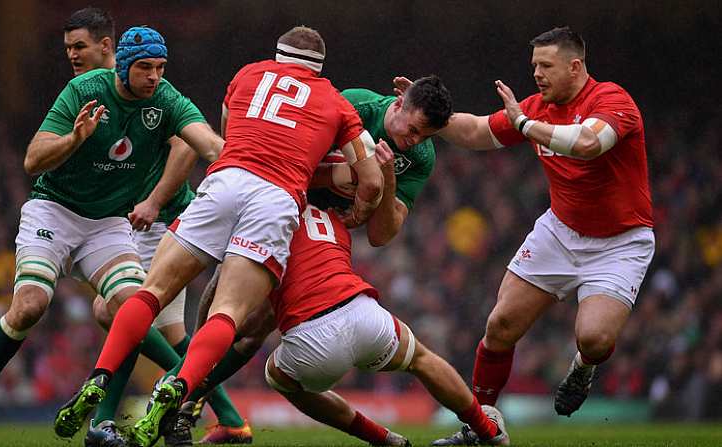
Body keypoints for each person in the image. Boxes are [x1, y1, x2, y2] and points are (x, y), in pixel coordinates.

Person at [55, 26, 384, 447]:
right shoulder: (338, 103)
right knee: (227, 314)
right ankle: (180, 389)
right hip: (276, 198)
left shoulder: (247, 75)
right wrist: (358, 211)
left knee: (150, 291)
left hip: (226, 180)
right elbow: (371, 182)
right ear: (320, 67)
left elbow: (228, 133)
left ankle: (99, 376)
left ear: (279, 56)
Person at [0, 25, 223, 447]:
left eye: (160, 67)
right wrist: (75, 138)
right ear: (123, 69)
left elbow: (207, 144)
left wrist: (247, 168)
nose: (154, 76)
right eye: (145, 68)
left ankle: (103, 423)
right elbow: (32, 161)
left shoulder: (166, 99)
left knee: (130, 310)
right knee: (30, 306)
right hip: (54, 210)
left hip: (108, 223)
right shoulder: (84, 90)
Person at [154, 75, 454, 440]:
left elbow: (381, 235)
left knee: (251, 327)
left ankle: (183, 404)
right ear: (399, 103)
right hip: (281, 205)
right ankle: (198, 406)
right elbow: (292, 156)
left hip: (321, 234)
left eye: (425, 136)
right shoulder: (356, 105)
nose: (415, 140)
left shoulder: (420, 157)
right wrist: (342, 179)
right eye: (413, 129)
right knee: (222, 310)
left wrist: (384, 178)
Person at [394, 26, 654, 444]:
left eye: (546, 66)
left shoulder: (613, 101)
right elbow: (477, 131)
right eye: (534, 65)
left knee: (595, 339)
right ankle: (481, 429)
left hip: (620, 242)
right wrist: (428, 118)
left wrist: (525, 124)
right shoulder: (537, 109)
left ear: (575, 66)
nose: (536, 74)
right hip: (561, 230)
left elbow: (588, 143)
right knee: (499, 326)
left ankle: (584, 366)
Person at [60, 8, 249, 446]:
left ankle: (106, 420)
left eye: (80, 47)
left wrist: (153, 199)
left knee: (118, 312)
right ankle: (228, 416)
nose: (72, 56)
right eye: (68, 48)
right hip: (137, 222)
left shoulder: (151, 89)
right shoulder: (94, 92)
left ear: (107, 48)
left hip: (157, 223)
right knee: (165, 333)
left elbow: (186, 142)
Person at [263, 177, 510, 445]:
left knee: (278, 377)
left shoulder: (266, 219)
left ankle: (381, 438)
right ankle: (488, 431)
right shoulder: (333, 218)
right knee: (421, 359)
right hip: (362, 312)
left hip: (312, 336)